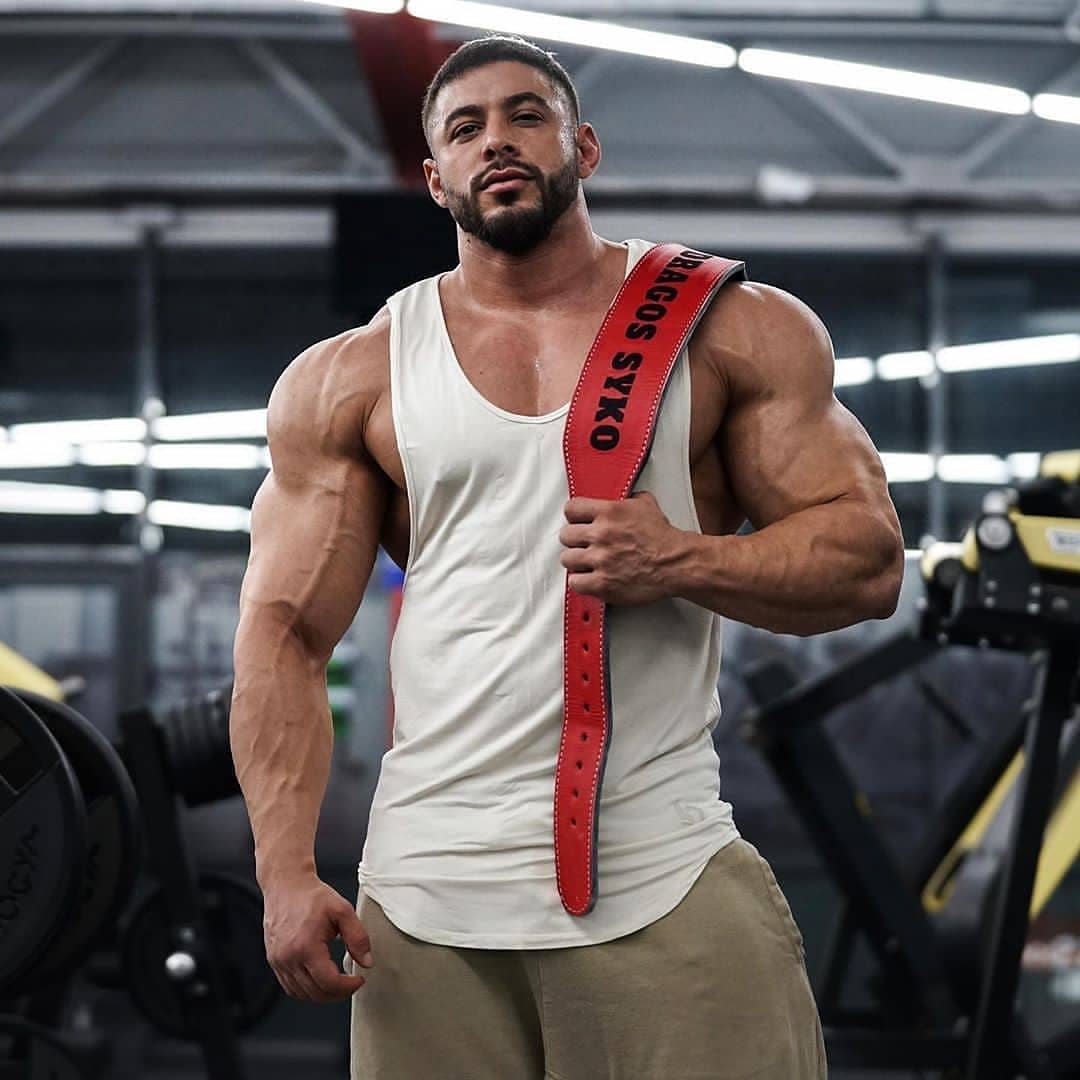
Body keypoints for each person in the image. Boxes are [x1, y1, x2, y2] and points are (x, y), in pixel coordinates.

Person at [229, 33, 904, 1080]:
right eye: (465, 129)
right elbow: (283, 633)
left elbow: (868, 562)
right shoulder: (354, 378)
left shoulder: (733, 329)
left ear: (582, 146)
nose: (496, 140)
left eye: (525, 115)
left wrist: (682, 561)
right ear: (434, 177)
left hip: (663, 878)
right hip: (425, 904)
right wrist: (282, 873)